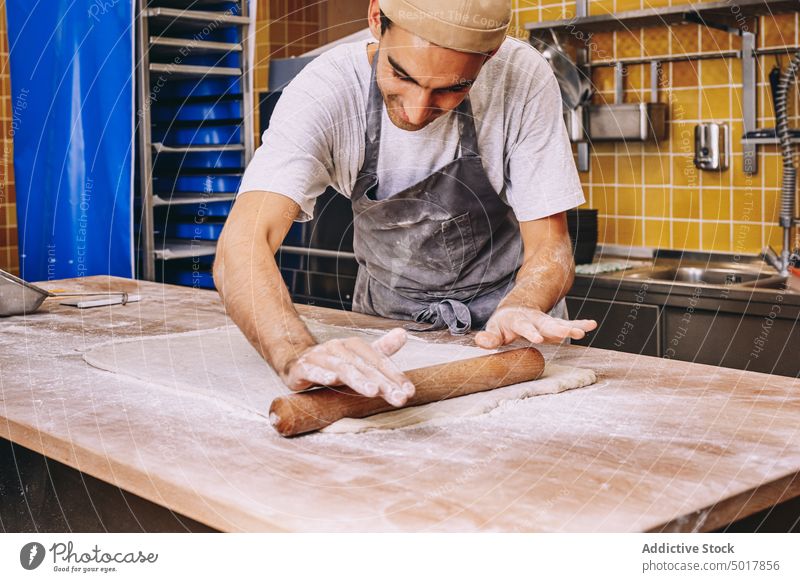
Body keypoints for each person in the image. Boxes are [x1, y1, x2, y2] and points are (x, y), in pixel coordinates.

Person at [214, 0, 597, 408]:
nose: (417, 112)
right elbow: (242, 246)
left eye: (453, 87)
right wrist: (294, 352)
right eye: (401, 74)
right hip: (388, 337)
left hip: (511, 342)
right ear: (377, 20)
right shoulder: (326, 91)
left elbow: (550, 246)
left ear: (491, 55)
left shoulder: (520, 77)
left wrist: (523, 304)